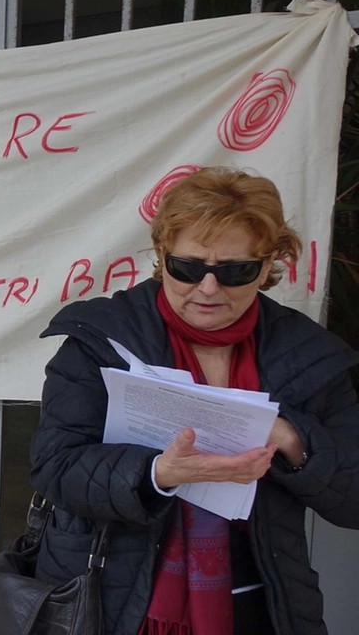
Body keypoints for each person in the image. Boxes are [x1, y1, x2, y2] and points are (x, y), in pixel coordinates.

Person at [30, 167, 359, 635]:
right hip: (112, 597)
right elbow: (55, 467)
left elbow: (353, 498)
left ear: (267, 267)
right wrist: (157, 474)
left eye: (235, 272)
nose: (208, 288)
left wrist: (290, 437)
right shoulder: (102, 337)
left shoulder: (309, 354)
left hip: (261, 600)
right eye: (188, 267)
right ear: (162, 257)